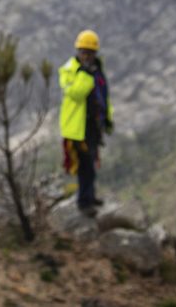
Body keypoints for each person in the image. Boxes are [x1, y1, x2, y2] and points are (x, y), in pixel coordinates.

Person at [58, 29, 113, 215]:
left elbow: (104, 97)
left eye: (90, 53)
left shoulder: (97, 70)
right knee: (84, 166)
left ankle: (90, 195)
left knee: (91, 162)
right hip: (76, 129)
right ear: (78, 51)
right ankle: (84, 202)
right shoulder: (70, 70)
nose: (87, 56)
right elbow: (75, 93)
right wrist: (85, 75)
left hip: (91, 127)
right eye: (84, 52)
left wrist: (107, 119)